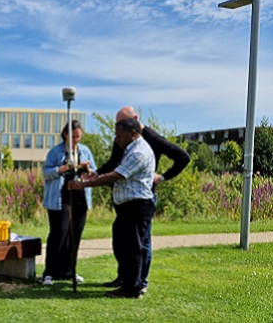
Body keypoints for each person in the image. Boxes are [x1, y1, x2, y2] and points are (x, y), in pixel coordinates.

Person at [96, 106, 191, 292]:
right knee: (124, 240)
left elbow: (183, 157)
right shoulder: (124, 137)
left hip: (143, 196)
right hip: (126, 196)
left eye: (121, 124)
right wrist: (95, 174)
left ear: (135, 120)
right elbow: (113, 162)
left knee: (141, 242)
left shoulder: (151, 138)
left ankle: (140, 282)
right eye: (117, 125)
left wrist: (162, 177)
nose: (118, 129)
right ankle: (125, 278)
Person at [69, 118, 155, 298]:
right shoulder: (130, 150)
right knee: (122, 245)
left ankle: (133, 288)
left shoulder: (139, 152)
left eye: (119, 136)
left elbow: (115, 176)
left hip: (137, 206)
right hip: (127, 206)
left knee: (133, 247)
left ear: (132, 133)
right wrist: (95, 176)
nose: (117, 140)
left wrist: (82, 186)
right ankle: (127, 281)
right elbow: (121, 179)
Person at [40, 120, 96, 286]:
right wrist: (61, 169)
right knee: (59, 233)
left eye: (79, 136)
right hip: (60, 198)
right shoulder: (55, 152)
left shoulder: (85, 151)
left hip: (80, 197)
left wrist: (87, 169)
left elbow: (94, 172)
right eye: (73, 136)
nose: (76, 139)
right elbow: (46, 172)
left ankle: (69, 271)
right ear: (65, 134)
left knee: (75, 235)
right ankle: (49, 272)